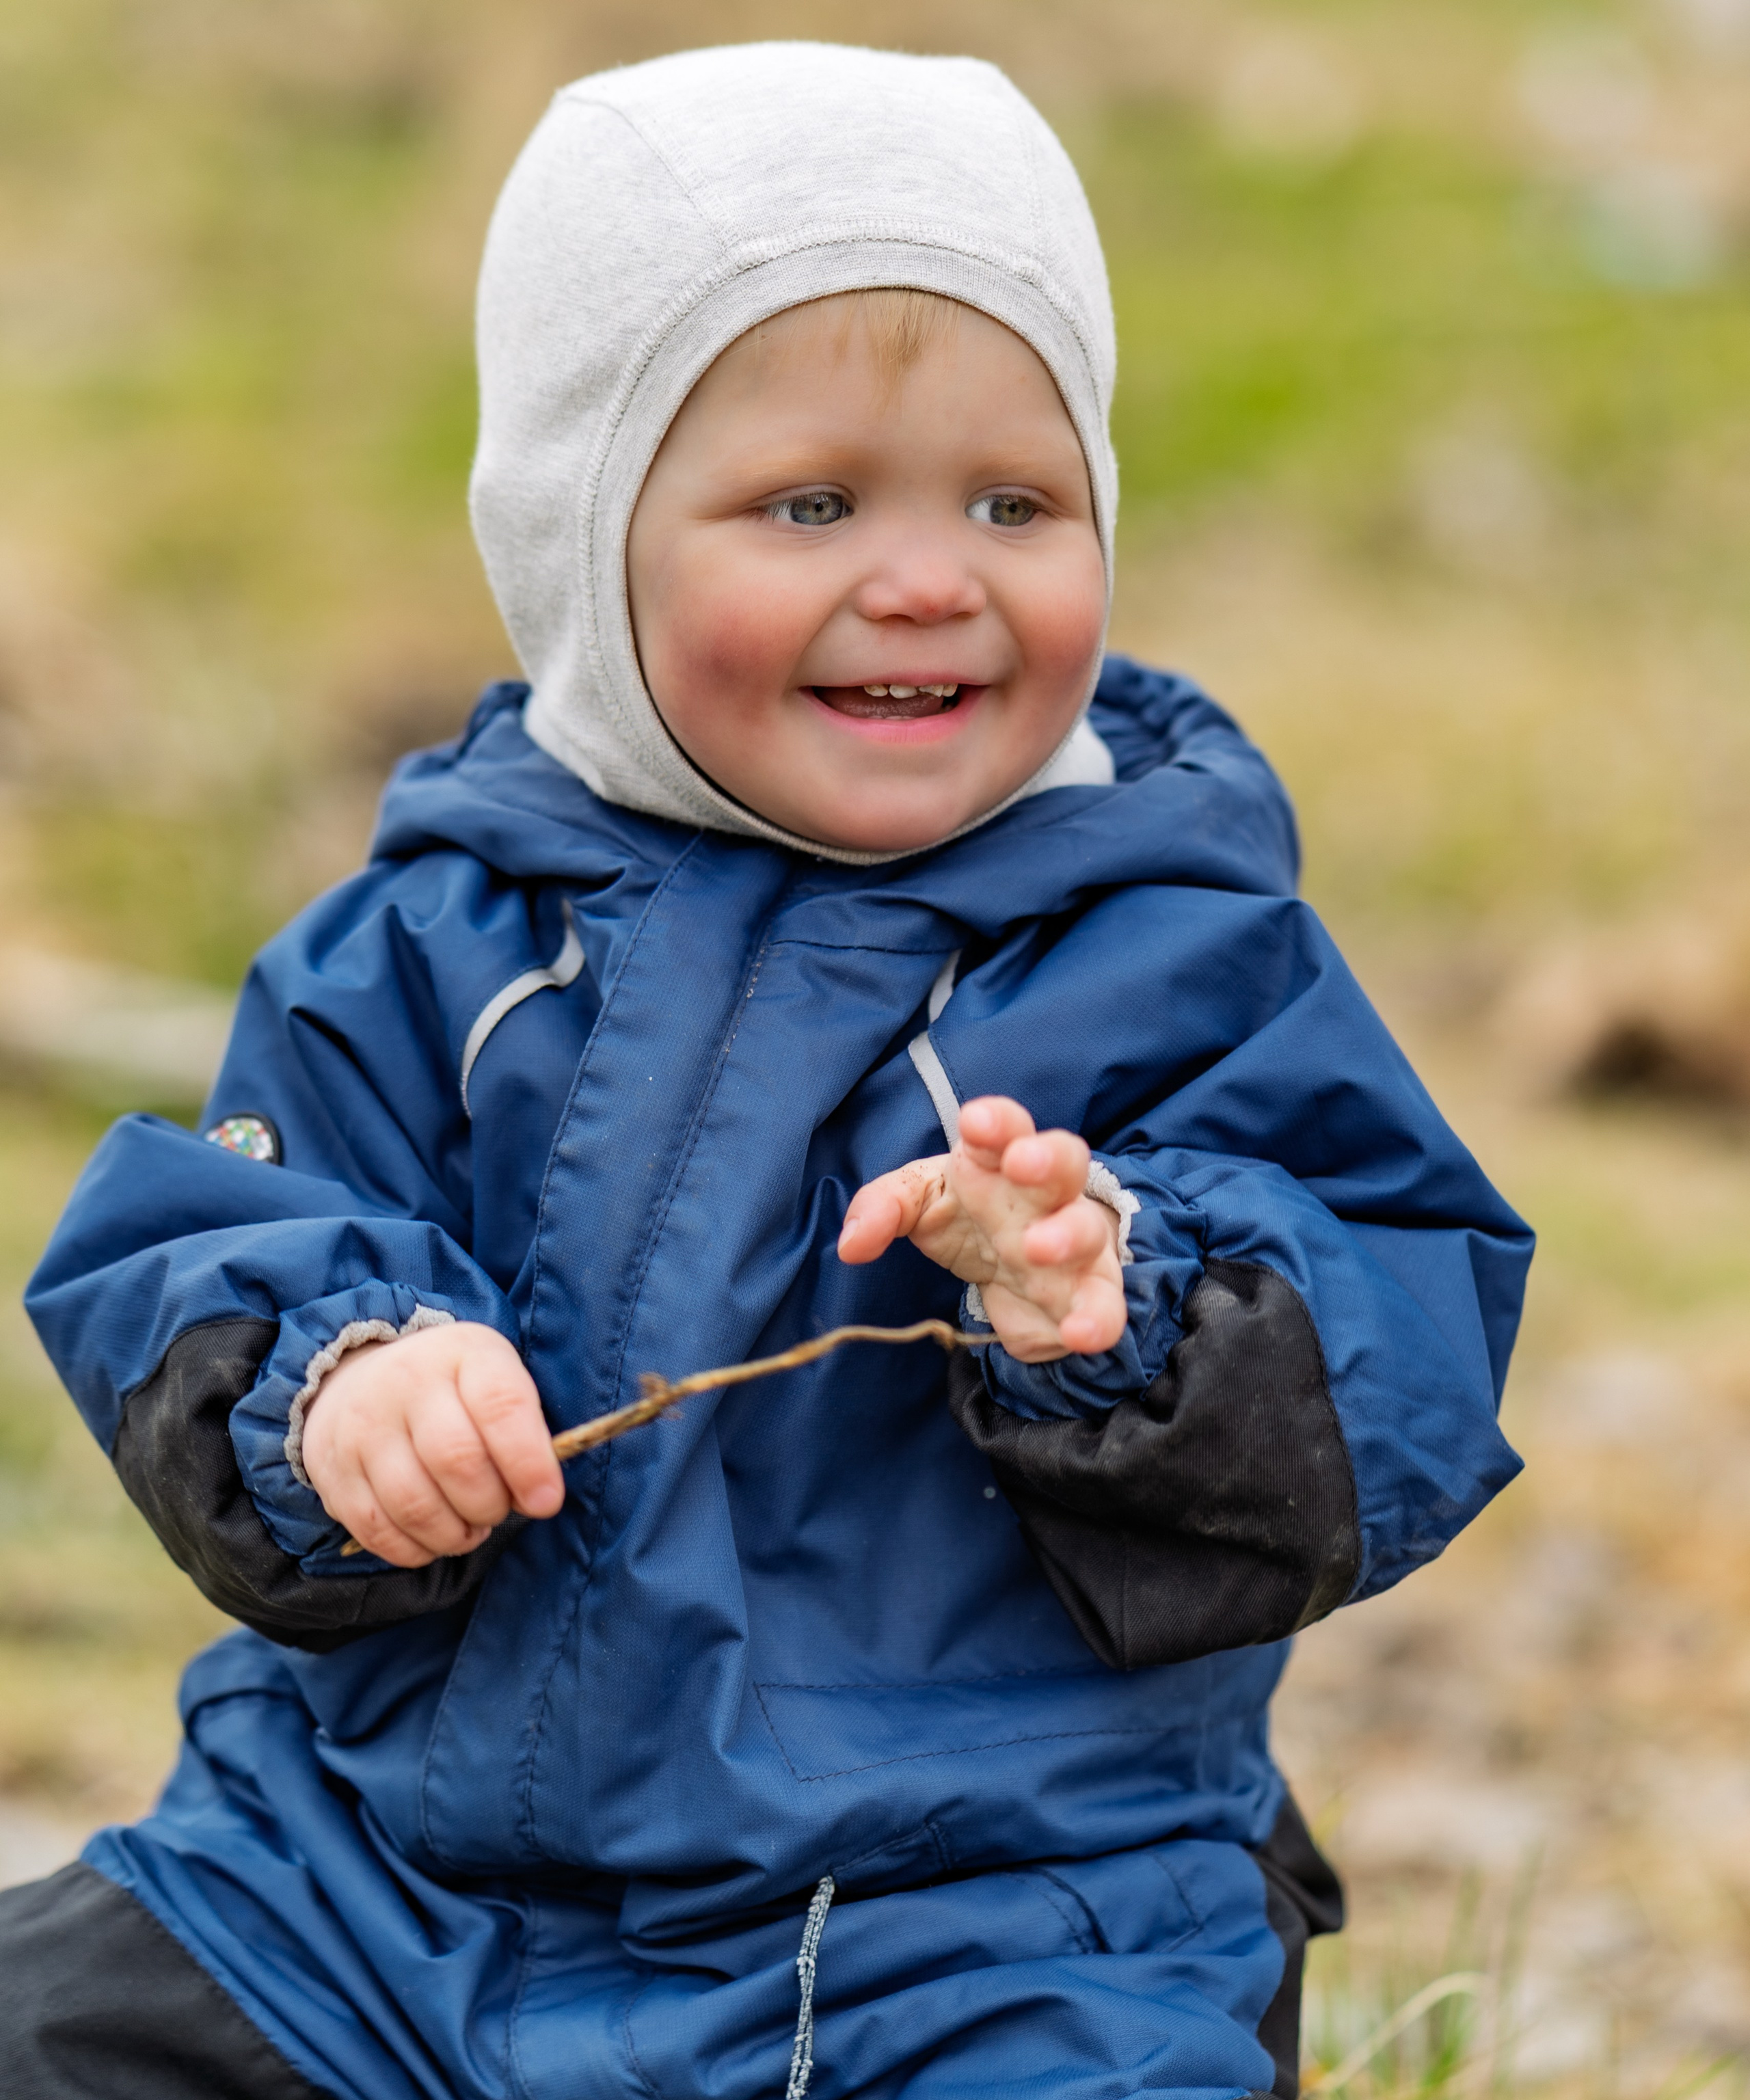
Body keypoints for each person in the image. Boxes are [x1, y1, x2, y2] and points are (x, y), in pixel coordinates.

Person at [8, 42, 1531, 2100]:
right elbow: (211, 1248)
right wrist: (338, 1393)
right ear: (586, 537)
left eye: (1017, 498)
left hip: (985, 1935)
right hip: (377, 1895)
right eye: (811, 503)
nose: (928, 575)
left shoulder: (1183, 952)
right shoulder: (437, 940)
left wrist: (1127, 1304)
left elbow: (1407, 1339)